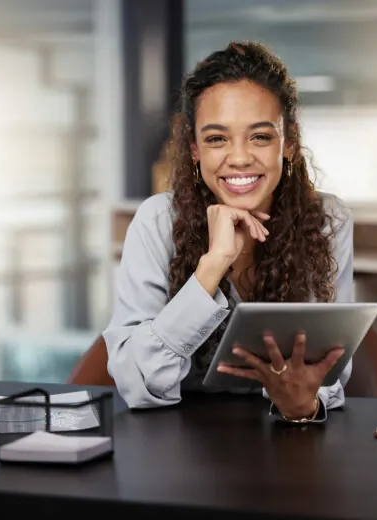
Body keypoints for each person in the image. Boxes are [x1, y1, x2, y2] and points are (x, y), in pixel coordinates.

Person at [103, 41, 354, 423]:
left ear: (288, 143)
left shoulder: (327, 219)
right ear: (194, 148)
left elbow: (332, 367)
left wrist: (305, 403)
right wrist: (213, 265)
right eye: (217, 138)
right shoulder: (156, 221)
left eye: (260, 136)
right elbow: (138, 384)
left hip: (284, 437)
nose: (238, 157)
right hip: (175, 445)